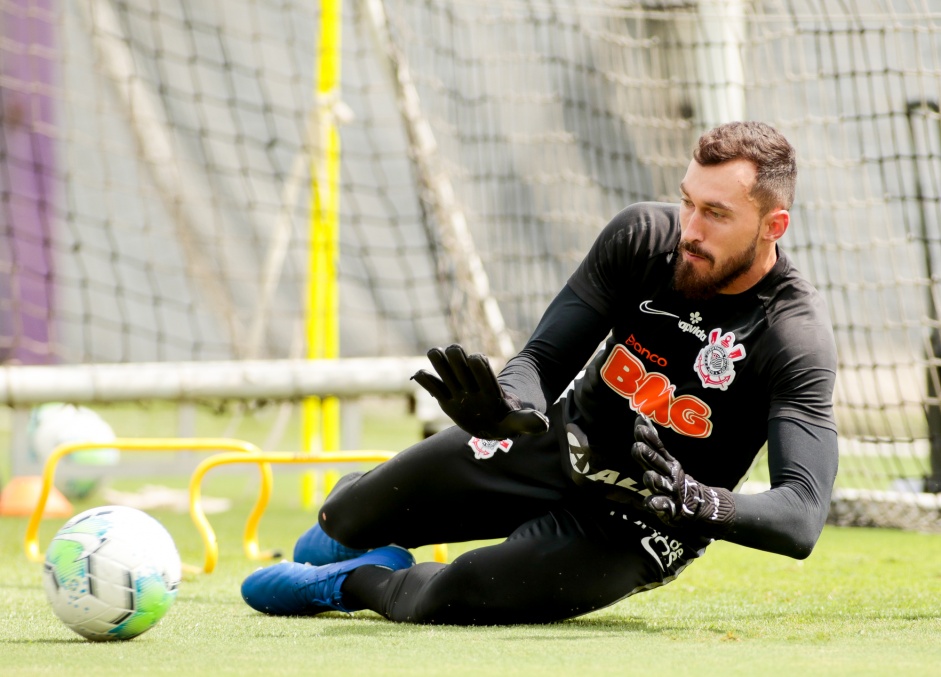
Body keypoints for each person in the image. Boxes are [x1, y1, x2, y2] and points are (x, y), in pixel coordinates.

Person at [241, 121, 838, 625]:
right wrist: (507, 407)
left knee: (450, 596)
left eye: (715, 213)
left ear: (772, 227)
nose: (690, 229)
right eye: (687, 200)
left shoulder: (793, 338)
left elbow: (802, 513)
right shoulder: (642, 239)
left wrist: (698, 503)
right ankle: (350, 527)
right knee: (339, 522)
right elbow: (541, 363)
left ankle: (351, 583)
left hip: (640, 521)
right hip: (555, 444)